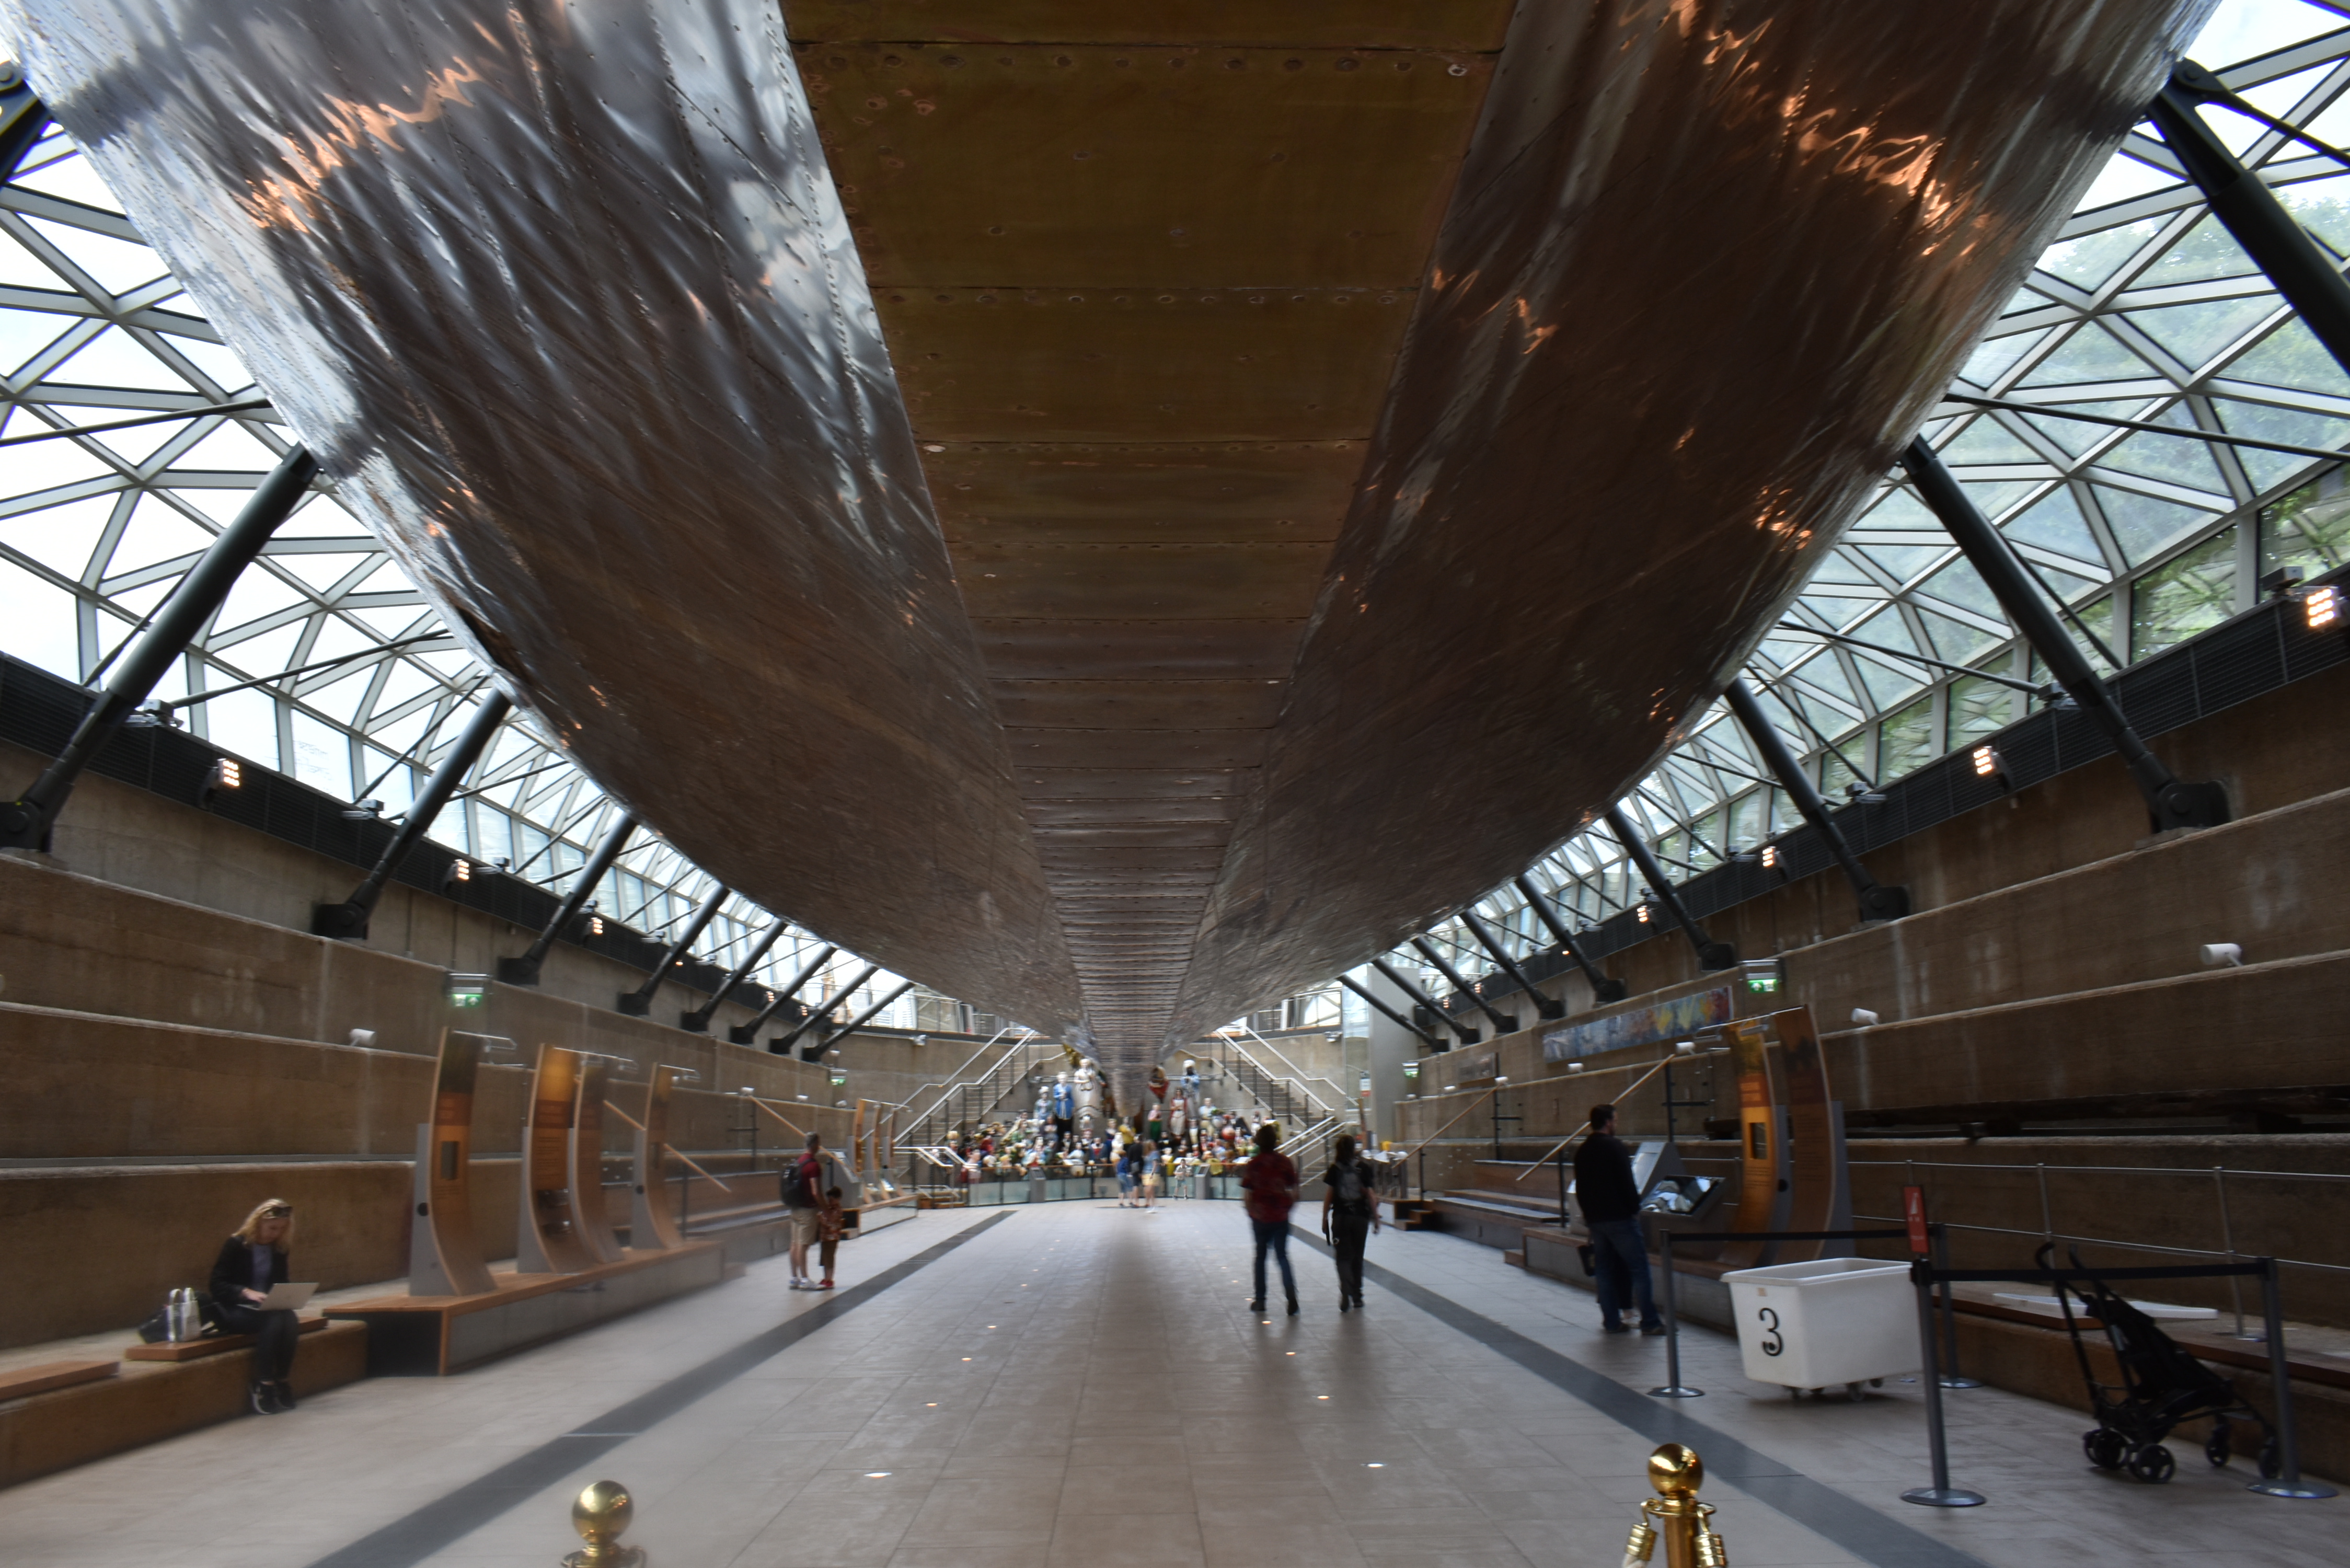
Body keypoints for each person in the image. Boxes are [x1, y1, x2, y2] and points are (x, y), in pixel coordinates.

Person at [1573, 1104, 1662, 1335]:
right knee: (1639, 1268)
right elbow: (1627, 1182)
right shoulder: (1615, 1147)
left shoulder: (1583, 1150)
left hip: (1596, 1220)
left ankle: (1612, 1322)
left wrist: (1589, 1215)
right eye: (1615, 1120)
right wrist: (1634, 1208)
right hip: (1620, 1218)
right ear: (1608, 1122)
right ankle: (1650, 1321)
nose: (1616, 1124)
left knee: (1604, 1271)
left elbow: (1582, 1187)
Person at [210, 1198, 301, 1414]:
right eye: (272, 1228)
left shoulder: (279, 1249)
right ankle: (264, 1383)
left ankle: (282, 1380)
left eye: (281, 1229)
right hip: (235, 1308)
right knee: (274, 1320)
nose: (276, 1234)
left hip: (265, 1307)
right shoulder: (236, 1245)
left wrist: (285, 1295)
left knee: (290, 1319)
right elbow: (217, 1284)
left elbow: (281, 1280)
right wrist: (245, 1292)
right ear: (258, 1223)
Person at [1239, 1123, 1299, 1316]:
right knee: (1282, 1256)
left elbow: (1247, 1194)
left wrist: (1251, 1211)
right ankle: (1291, 1294)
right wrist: (1288, 1207)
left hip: (1260, 1217)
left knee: (1261, 1258)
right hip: (1280, 1216)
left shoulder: (1254, 1164)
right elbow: (1295, 1190)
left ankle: (1260, 1300)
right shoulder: (1285, 1162)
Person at [1320, 1134, 1381, 1312]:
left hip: (1341, 1218)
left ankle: (1345, 1289)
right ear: (1354, 1148)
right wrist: (1376, 1218)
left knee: (1343, 1258)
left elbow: (1329, 1196)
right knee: (1358, 1257)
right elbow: (1370, 1195)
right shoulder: (1363, 1168)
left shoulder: (1335, 1169)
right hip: (1360, 1218)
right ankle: (1357, 1296)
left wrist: (1324, 1218)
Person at [782, 1132, 826, 1290]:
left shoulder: (799, 1161)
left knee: (794, 1244)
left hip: (795, 1207)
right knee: (803, 1245)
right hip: (807, 1210)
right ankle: (805, 1279)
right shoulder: (813, 1165)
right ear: (814, 1145)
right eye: (818, 1144)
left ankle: (794, 1278)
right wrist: (825, 1209)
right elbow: (816, 1191)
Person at [816, 1185, 845, 1290]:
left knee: (829, 1259)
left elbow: (830, 1221)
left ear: (838, 1199)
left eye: (832, 1200)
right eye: (829, 1200)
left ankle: (829, 1279)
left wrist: (821, 1218)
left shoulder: (837, 1210)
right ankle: (826, 1278)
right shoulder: (828, 1209)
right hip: (825, 1238)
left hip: (832, 1238)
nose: (830, 1202)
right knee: (825, 1259)